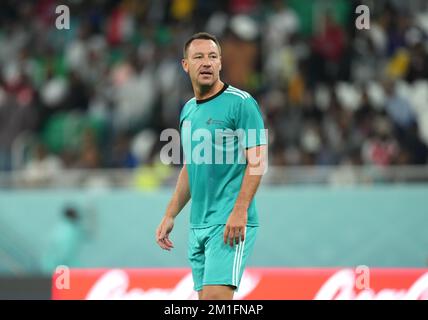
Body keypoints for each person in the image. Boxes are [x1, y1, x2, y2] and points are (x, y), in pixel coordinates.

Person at [155, 32, 267, 300]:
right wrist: (171, 213)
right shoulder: (188, 110)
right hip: (198, 225)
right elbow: (191, 167)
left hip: (229, 221)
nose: (206, 63)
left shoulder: (241, 103)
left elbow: (258, 161)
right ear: (185, 65)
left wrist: (239, 211)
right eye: (198, 57)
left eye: (213, 57)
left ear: (220, 64)